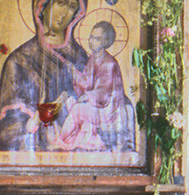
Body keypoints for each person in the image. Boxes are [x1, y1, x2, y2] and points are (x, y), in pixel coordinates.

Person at [0, 0, 92, 154]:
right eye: (60, 3)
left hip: (77, 155)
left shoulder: (82, 58)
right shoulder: (20, 60)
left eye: (71, 6)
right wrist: (37, 119)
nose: (65, 12)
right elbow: (6, 131)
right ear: (42, 6)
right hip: (38, 153)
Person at [57, 18, 137, 156]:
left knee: (76, 109)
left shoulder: (109, 63)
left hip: (107, 109)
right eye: (91, 37)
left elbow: (103, 91)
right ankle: (76, 140)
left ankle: (60, 141)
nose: (92, 41)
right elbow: (87, 82)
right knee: (70, 100)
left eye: (97, 39)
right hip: (96, 104)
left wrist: (86, 96)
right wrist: (73, 71)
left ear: (106, 42)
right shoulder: (94, 58)